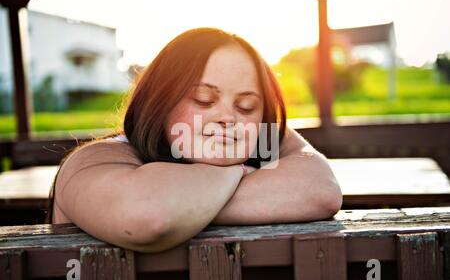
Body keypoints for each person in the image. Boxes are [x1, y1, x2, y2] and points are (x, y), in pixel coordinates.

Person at [49, 27, 342, 253]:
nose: (228, 117)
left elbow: (322, 190)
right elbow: (150, 215)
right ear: (159, 100)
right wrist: (238, 172)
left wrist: (193, 204)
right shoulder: (94, 160)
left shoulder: (261, 137)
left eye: (246, 107)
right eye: (203, 99)